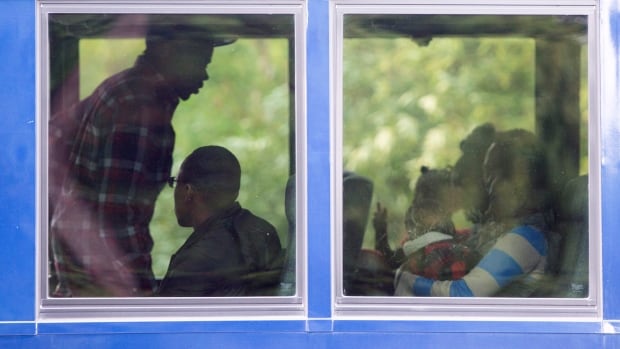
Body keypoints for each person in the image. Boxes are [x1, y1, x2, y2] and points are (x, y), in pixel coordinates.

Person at [49, 23, 235, 297]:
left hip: (85, 281)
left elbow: (54, 135)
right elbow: (116, 219)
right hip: (102, 290)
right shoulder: (139, 107)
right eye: (200, 61)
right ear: (168, 51)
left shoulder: (120, 89)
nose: (204, 75)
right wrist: (144, 300)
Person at [394, 129, 553, 297]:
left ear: (525, 179)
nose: (490, 186)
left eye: (499, 174)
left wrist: (403, 279)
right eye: (488, 176)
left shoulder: (524, 239)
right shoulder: (497, 233)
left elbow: (462, 294)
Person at [156, 145, 283, 297]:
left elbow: (166, 317)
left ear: (188, 191)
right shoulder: (262, 230)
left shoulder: (198, 258)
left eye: (175, 182)